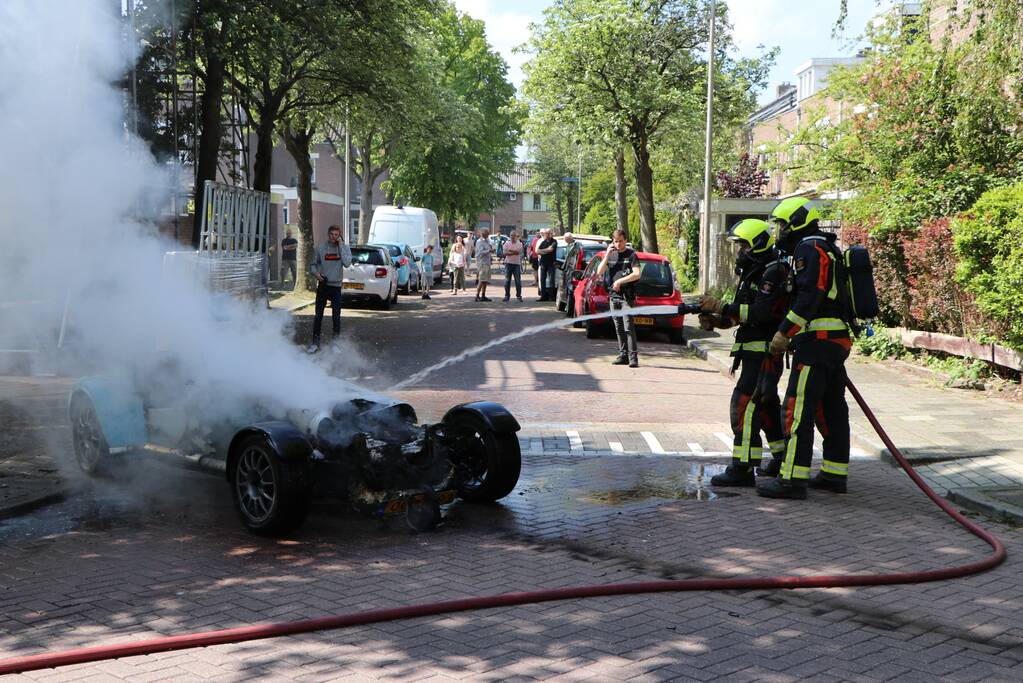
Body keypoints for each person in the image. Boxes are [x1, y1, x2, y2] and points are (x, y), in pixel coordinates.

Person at [758, 198, 852, 500]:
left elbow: (810, 295)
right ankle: (834, 474)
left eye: (783, 224)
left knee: (798, 409)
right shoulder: (826, 246)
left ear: (797, 221)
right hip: (833, 341)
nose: (780, 230)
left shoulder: (808, 248)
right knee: (833, 409)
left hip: (817, 342)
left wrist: (784, 332)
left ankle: (792, 480)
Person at [696, 219, 790, 487]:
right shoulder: (755, 272)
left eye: (744, 245)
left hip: (763, 354)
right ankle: (781, 458)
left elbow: (761, 314)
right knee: (767, 409)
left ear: (758, 244)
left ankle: (743, 468)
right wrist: (717, 319)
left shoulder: (773, 273)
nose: (740, 252)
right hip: (753, 353)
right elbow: (743, 314)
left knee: (744, 407)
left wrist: (721, 305)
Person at [596, 229, 642, 368]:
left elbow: (637, 274)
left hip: (626, 296)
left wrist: (620, 281)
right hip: (613, 296)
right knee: (619, 327)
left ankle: (633, 357)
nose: (618, 244)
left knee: (628, 327)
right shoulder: (611, 255)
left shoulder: (631, 255)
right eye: (615, 241)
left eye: (621, 241)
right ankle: (623, 355)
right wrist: (607, 255)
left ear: (625, 240)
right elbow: (599, 272)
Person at [307, 224, 352, 354]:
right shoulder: (320, 248)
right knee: (318, 316)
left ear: (340, 236)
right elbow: (312, 266)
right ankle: (315, 343)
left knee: (336, 316)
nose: (334, 237)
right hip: (323, 286)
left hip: (336, 286)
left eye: (336, 235)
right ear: (328, 234)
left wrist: (341, 246)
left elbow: (347, 263)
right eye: (332, 234)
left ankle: (336, 344)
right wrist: (316, 274)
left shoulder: (344, 248)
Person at [536, 228, 557, 301]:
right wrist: (546, 251)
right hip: (543, 263)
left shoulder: (554, 241)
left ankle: (552, 297)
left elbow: (551, 249)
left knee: (551, 280)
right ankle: (543, 296)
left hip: (551, 263)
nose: (547, 235)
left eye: (549, 233)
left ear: (551, 234)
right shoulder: (543, 241)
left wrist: (543, 251)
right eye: (546, 233)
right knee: (542, 280)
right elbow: (537, 251)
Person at [502, 231, 524, 302]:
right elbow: (505, 253)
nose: (512, 237)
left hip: (516, 264)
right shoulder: (507, 243)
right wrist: (514, 252)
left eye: (514, 235)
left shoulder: (520, 244)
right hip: (508, 263)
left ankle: (519, 296)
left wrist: (510, 251)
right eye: (511, 235)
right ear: (510, 236)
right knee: (507, 281)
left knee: (518, 281)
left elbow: (519, 252)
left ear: (516, 236)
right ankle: (507, 296)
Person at [475, 228, 493, 302]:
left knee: (485, 280)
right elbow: (481, 252)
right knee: (481, 280)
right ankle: (477, 296)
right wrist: (489, 250)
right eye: (487, 233)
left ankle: (483, 295)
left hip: (487, 262)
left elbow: (488, 250)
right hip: (482, 263)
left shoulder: (487, 241)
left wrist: (490, 255)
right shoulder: (479, 242)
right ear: (483, 234)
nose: (488, 234)